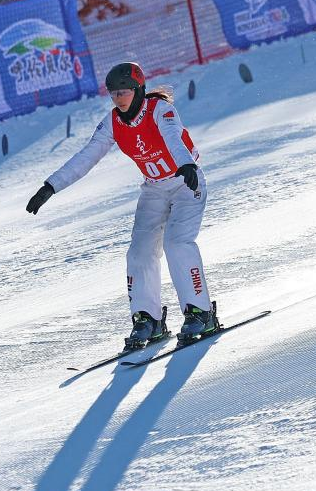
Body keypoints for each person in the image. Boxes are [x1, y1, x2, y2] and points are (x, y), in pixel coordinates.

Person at [26, 61, 215, 350]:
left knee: (177, 243)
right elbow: (86, 156)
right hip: (154, 190)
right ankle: (148, 320)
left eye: (124, 92)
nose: (119, 99)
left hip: (185, 182)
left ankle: (200, 312)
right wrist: (51, 186)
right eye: (113, 93)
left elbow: (172, 136)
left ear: (139, 89)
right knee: (139, 252)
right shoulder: (113, 122)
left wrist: (186, 164)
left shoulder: (159, 109)